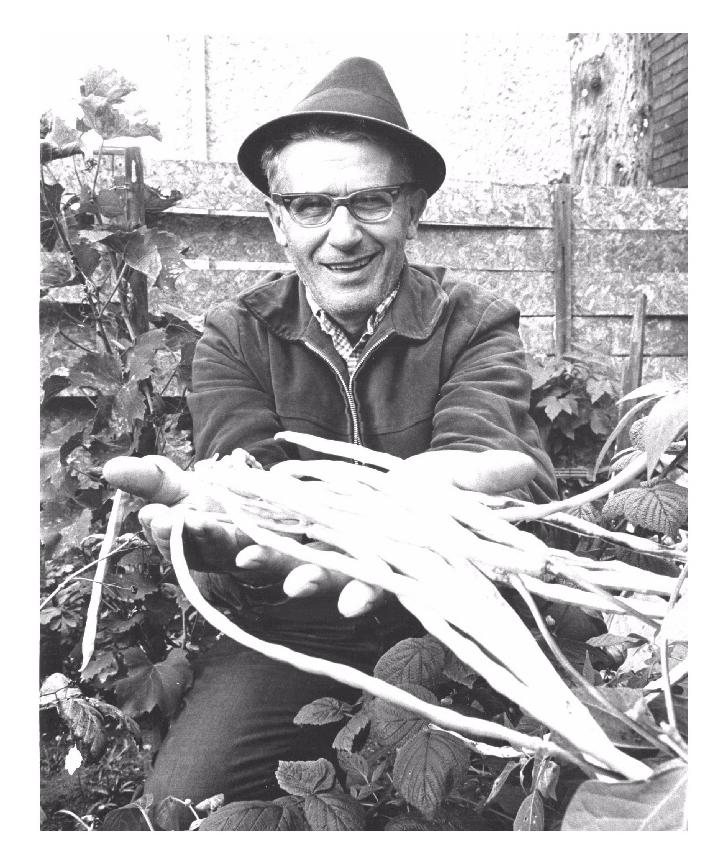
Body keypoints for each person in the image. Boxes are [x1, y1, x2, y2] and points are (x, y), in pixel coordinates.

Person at [104, 57, 558, 827]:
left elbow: (483, 450)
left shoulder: (474, 321)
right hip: (293, 614)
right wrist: (226, 517)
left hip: (452, 604)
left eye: (371, 201)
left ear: (411, 211)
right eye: (311, 205)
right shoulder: (236, 333)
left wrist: (440, 494)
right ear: (279, 221)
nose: (342, 234)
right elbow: (247, 477)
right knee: (177, 809)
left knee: (534, 792)